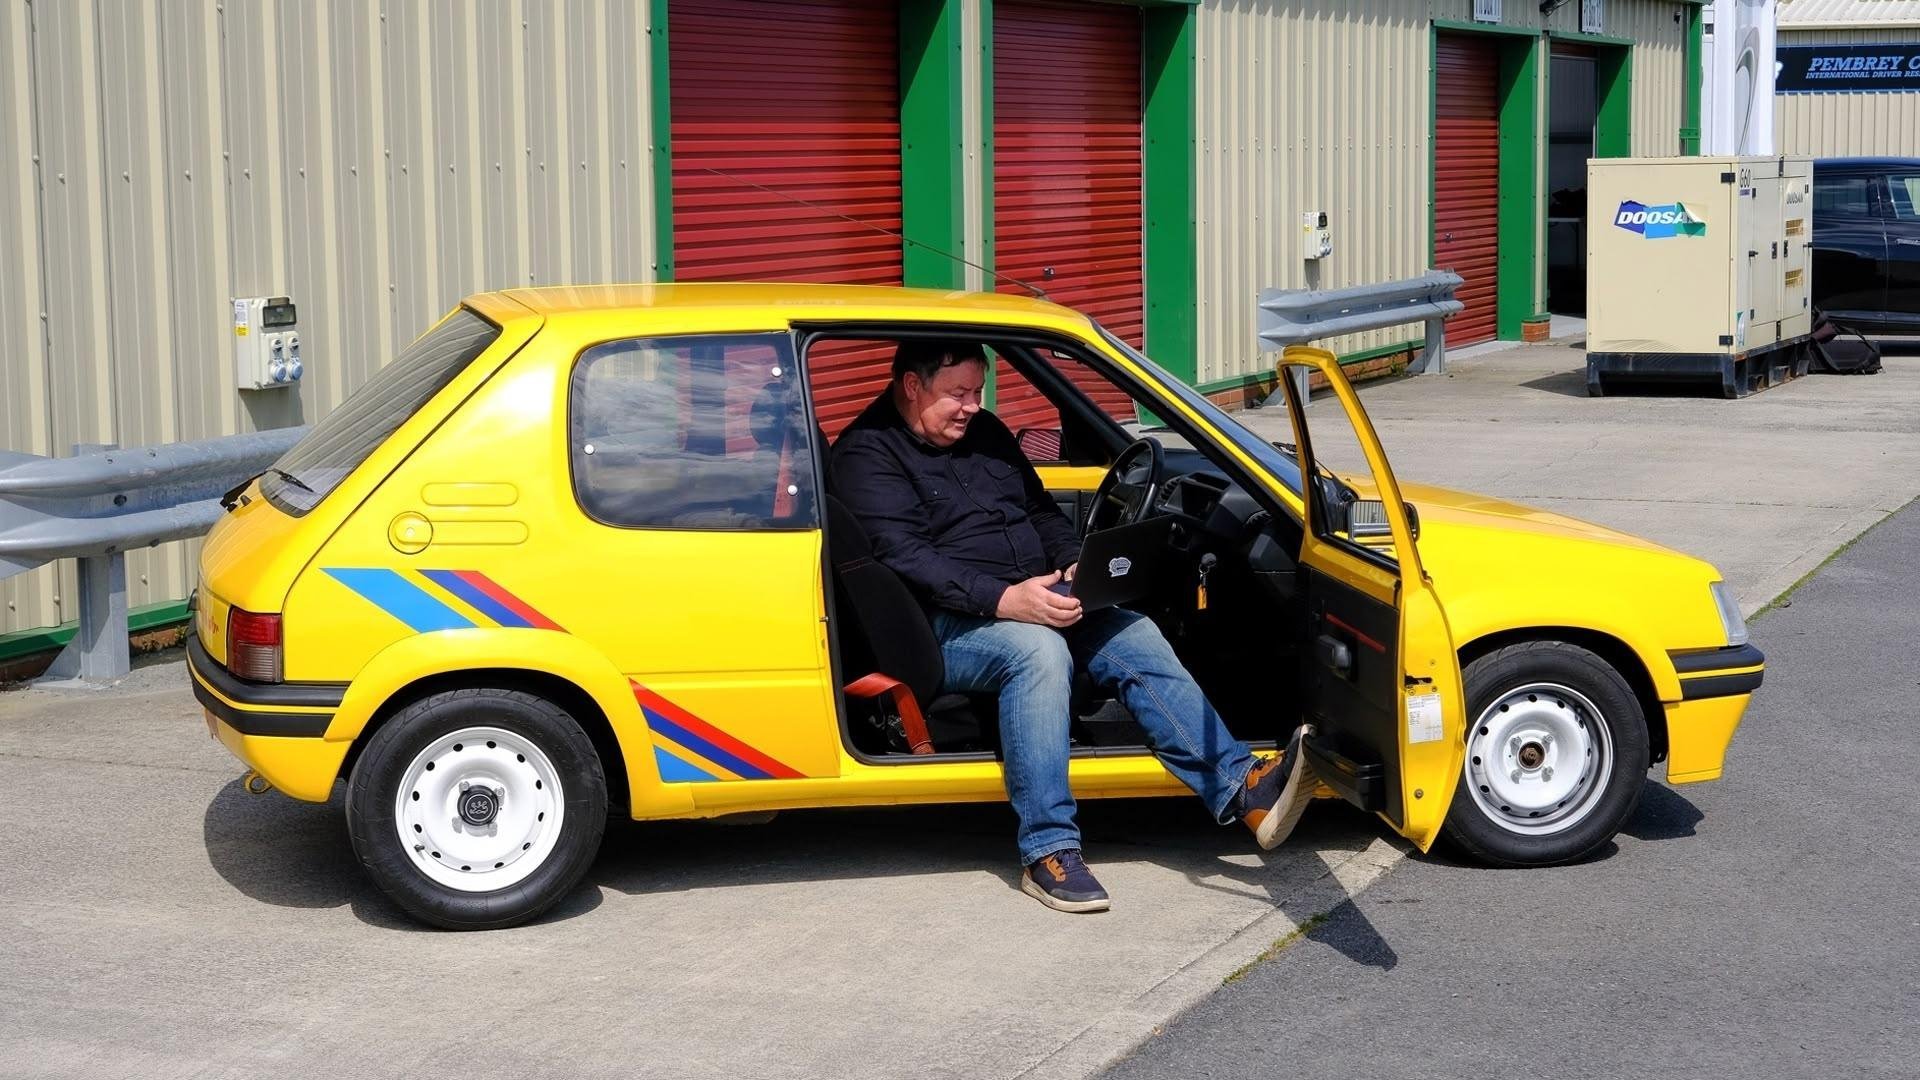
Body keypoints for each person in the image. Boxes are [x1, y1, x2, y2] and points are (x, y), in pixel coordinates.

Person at [830, 340, 1316, 914]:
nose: (971, 406)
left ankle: (1243, 788)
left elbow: (1037, 512)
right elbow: (907, 557)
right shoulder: (865, 455)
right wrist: (1009, 599)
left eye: (977, 391)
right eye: (956, 394)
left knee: (1130, 631)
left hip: (1031, 594)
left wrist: (1072, 563)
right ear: (912, 385)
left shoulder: (984, 432)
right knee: (1038, 653)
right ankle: (1048, 850)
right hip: (938, 625)